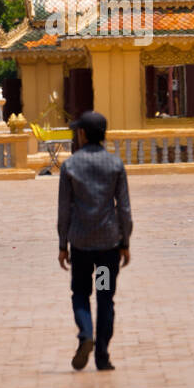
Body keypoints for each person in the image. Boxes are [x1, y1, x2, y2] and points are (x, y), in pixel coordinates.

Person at [57, 110, 132, 372]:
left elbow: (64, 210)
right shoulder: (115, 165)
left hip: (81, 247)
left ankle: (85, 333)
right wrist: (126, 242)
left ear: (83, 134)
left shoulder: (70, 166)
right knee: (104, 297)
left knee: (80, 293)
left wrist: (62, 245)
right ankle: (102, 355)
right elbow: (123, 208)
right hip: (107, 248)